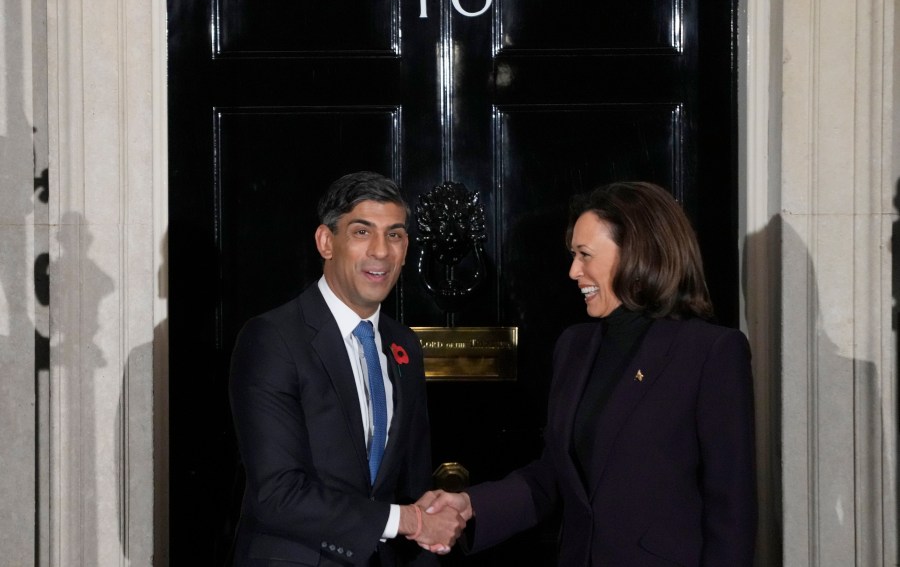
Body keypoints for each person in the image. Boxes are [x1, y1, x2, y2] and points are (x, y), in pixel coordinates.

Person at [424, 181, 757, 566]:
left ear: (636, 254)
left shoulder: (710, 352)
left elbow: (732, 509)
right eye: (573, 255)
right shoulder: (575, 346)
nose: (572, 271)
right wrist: (470, 505)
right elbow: (554, 475)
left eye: (584, 255)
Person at [229, 171, 464, 566]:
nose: (381, 251)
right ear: (326, 242)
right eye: (361, 232)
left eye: (395, 235)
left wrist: (427, 526)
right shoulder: (272, 339)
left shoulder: (403, 344)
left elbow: (412, 483)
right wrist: (408, 521)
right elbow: (278, 494)